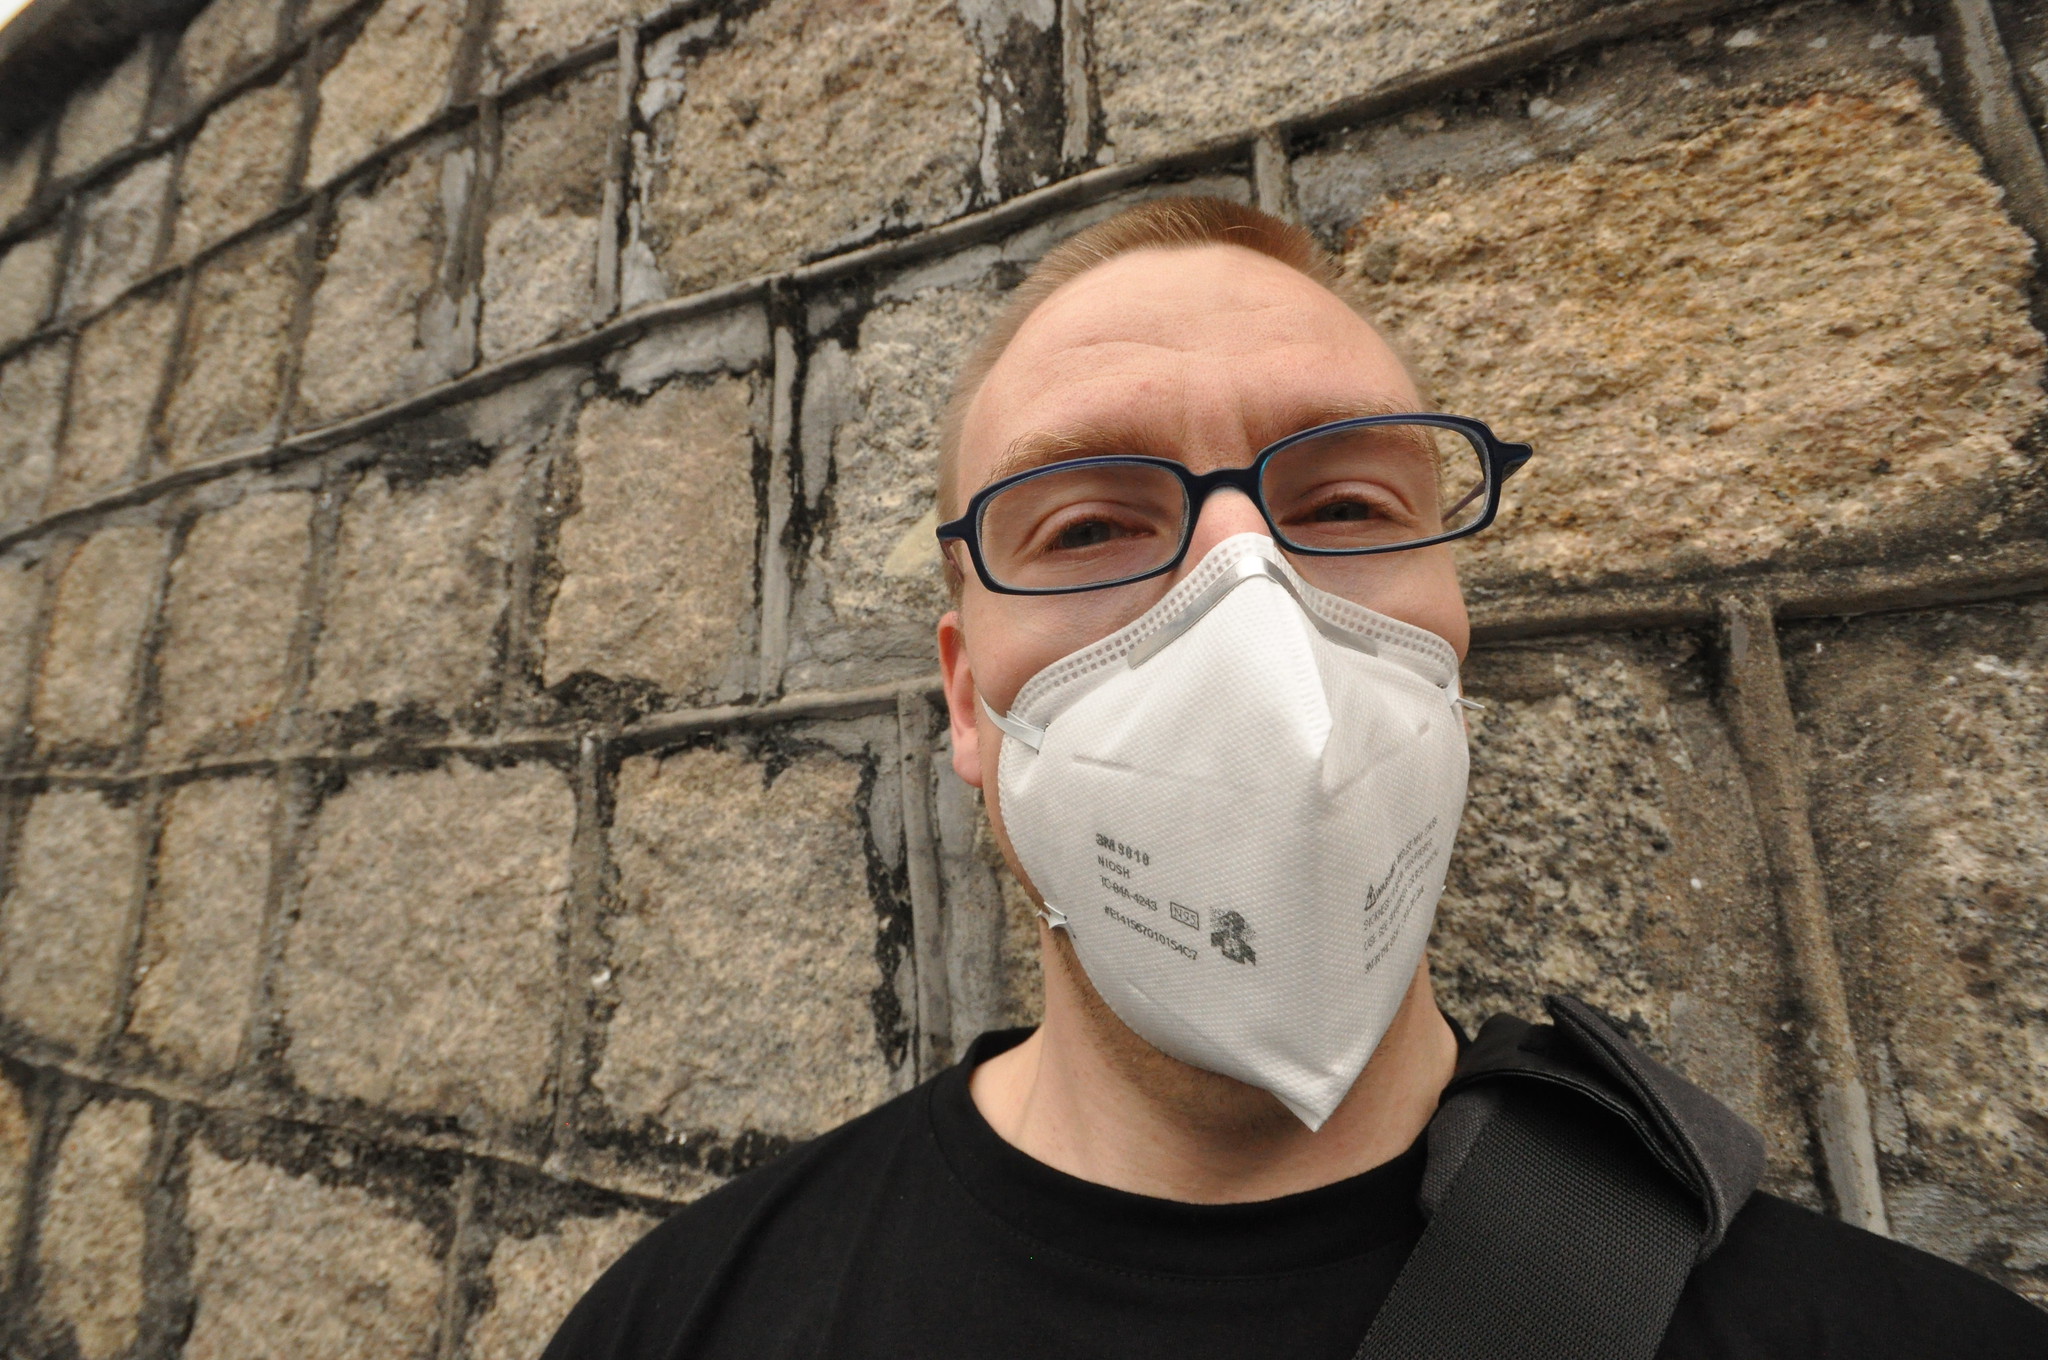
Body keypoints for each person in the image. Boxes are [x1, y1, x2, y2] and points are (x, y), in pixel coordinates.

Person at [542, 197, 2048, 1357]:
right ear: (966, 699)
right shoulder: (679, 1324)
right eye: (1088, 526)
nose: (1250, 603)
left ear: (1453, 633)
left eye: (1345, 504)